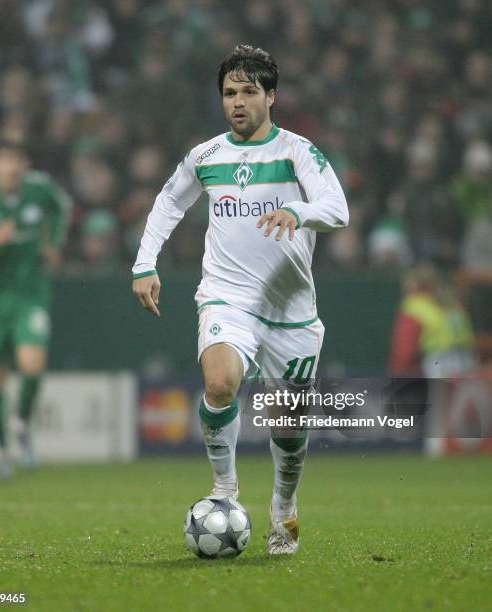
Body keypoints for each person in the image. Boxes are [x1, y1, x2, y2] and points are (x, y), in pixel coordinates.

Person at [132, 45, 348, 554]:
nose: (238, 102)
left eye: (249, 92)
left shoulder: (297, 151)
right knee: (220, 382)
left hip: (291, 311)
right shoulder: (206, 157)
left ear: (271, 96)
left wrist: (298, 211)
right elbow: (168, 202)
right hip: (227, 297)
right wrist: (145, 263)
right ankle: (225, 491)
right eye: (230, 93)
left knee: (289, 426)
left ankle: (284, 508)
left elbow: (336, 208)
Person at [0, 136, 72, 478]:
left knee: (32, 365)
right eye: (3, 160)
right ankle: (2, 453)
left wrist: (53, 242)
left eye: (16, 161)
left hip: (30, 294)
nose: (10, 168)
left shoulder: (40, 190)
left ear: (24, 165)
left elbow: (61, 209)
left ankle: (22, 425)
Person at [389, 263, 478, 377]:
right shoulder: (454, 305)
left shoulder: (415, 306)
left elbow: (405, 352)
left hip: (437, 367)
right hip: (467, 365)